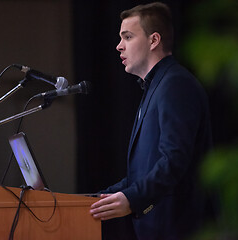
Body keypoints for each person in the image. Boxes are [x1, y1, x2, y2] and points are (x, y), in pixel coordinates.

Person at [90, 2, 212, 240]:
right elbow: (143, 172)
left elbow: (174, 160)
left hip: (178, 229)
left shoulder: (175, 84)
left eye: (127, 37)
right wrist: (94, 199)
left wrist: (132, 199)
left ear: (153, 40)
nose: (118, 46)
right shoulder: (156, 86)